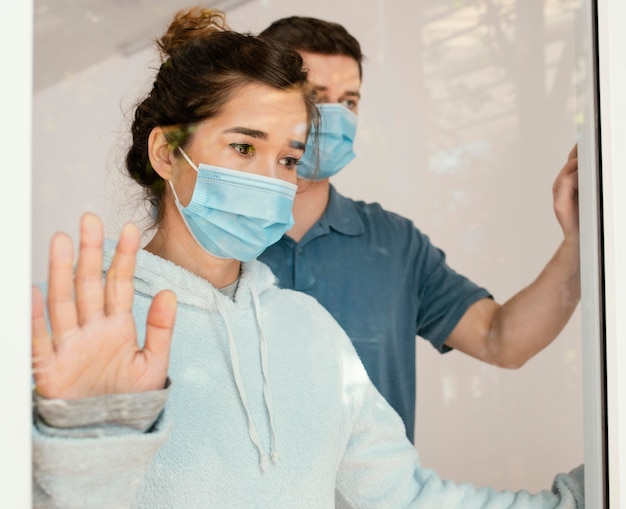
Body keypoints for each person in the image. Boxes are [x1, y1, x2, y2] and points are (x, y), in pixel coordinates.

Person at [31, 7, 584, 508]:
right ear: (165, 152)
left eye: (289, 158)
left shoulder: (311, 329)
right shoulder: (83, 326)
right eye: (244, 147)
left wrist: (583, 496)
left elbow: (408, 497)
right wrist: (86, 445)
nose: (271, 179)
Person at [258, 17, 581, 442]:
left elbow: (500, 340)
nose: (334, 118)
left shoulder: (394, 244)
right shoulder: (216, 238)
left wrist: (579, 244)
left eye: (349, 102)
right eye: (316, 98)